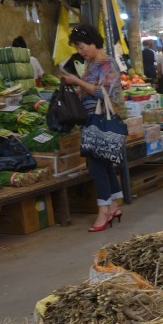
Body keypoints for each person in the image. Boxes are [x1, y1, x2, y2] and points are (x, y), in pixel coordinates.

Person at [59, 24, 125, 232]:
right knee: (103, 164)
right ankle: (114, 205)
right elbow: (87, 91)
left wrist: (77, 80)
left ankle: (103, 210)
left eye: (82, 46)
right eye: (77, 47)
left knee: (96, 167)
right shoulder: (90, 63)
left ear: (93, 42)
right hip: (91, 119)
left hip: (102, 120)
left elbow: (101, 92)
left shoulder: (107, 64)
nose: (80, 51)